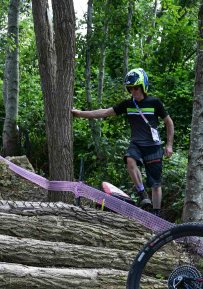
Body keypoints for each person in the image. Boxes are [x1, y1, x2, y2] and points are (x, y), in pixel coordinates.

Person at [71, 68, 174, 216]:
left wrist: (169, 145)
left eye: (136, 88)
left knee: (156, 185)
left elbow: (169, 123)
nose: (133, 91)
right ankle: (143, 195)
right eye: (130, 89)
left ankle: (156, 216)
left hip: (153, 146)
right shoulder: (128, 104)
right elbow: (105, 112)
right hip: (137, 144)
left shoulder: (155, 103)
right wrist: (80, 114)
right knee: (130, 160)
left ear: (143, 86)